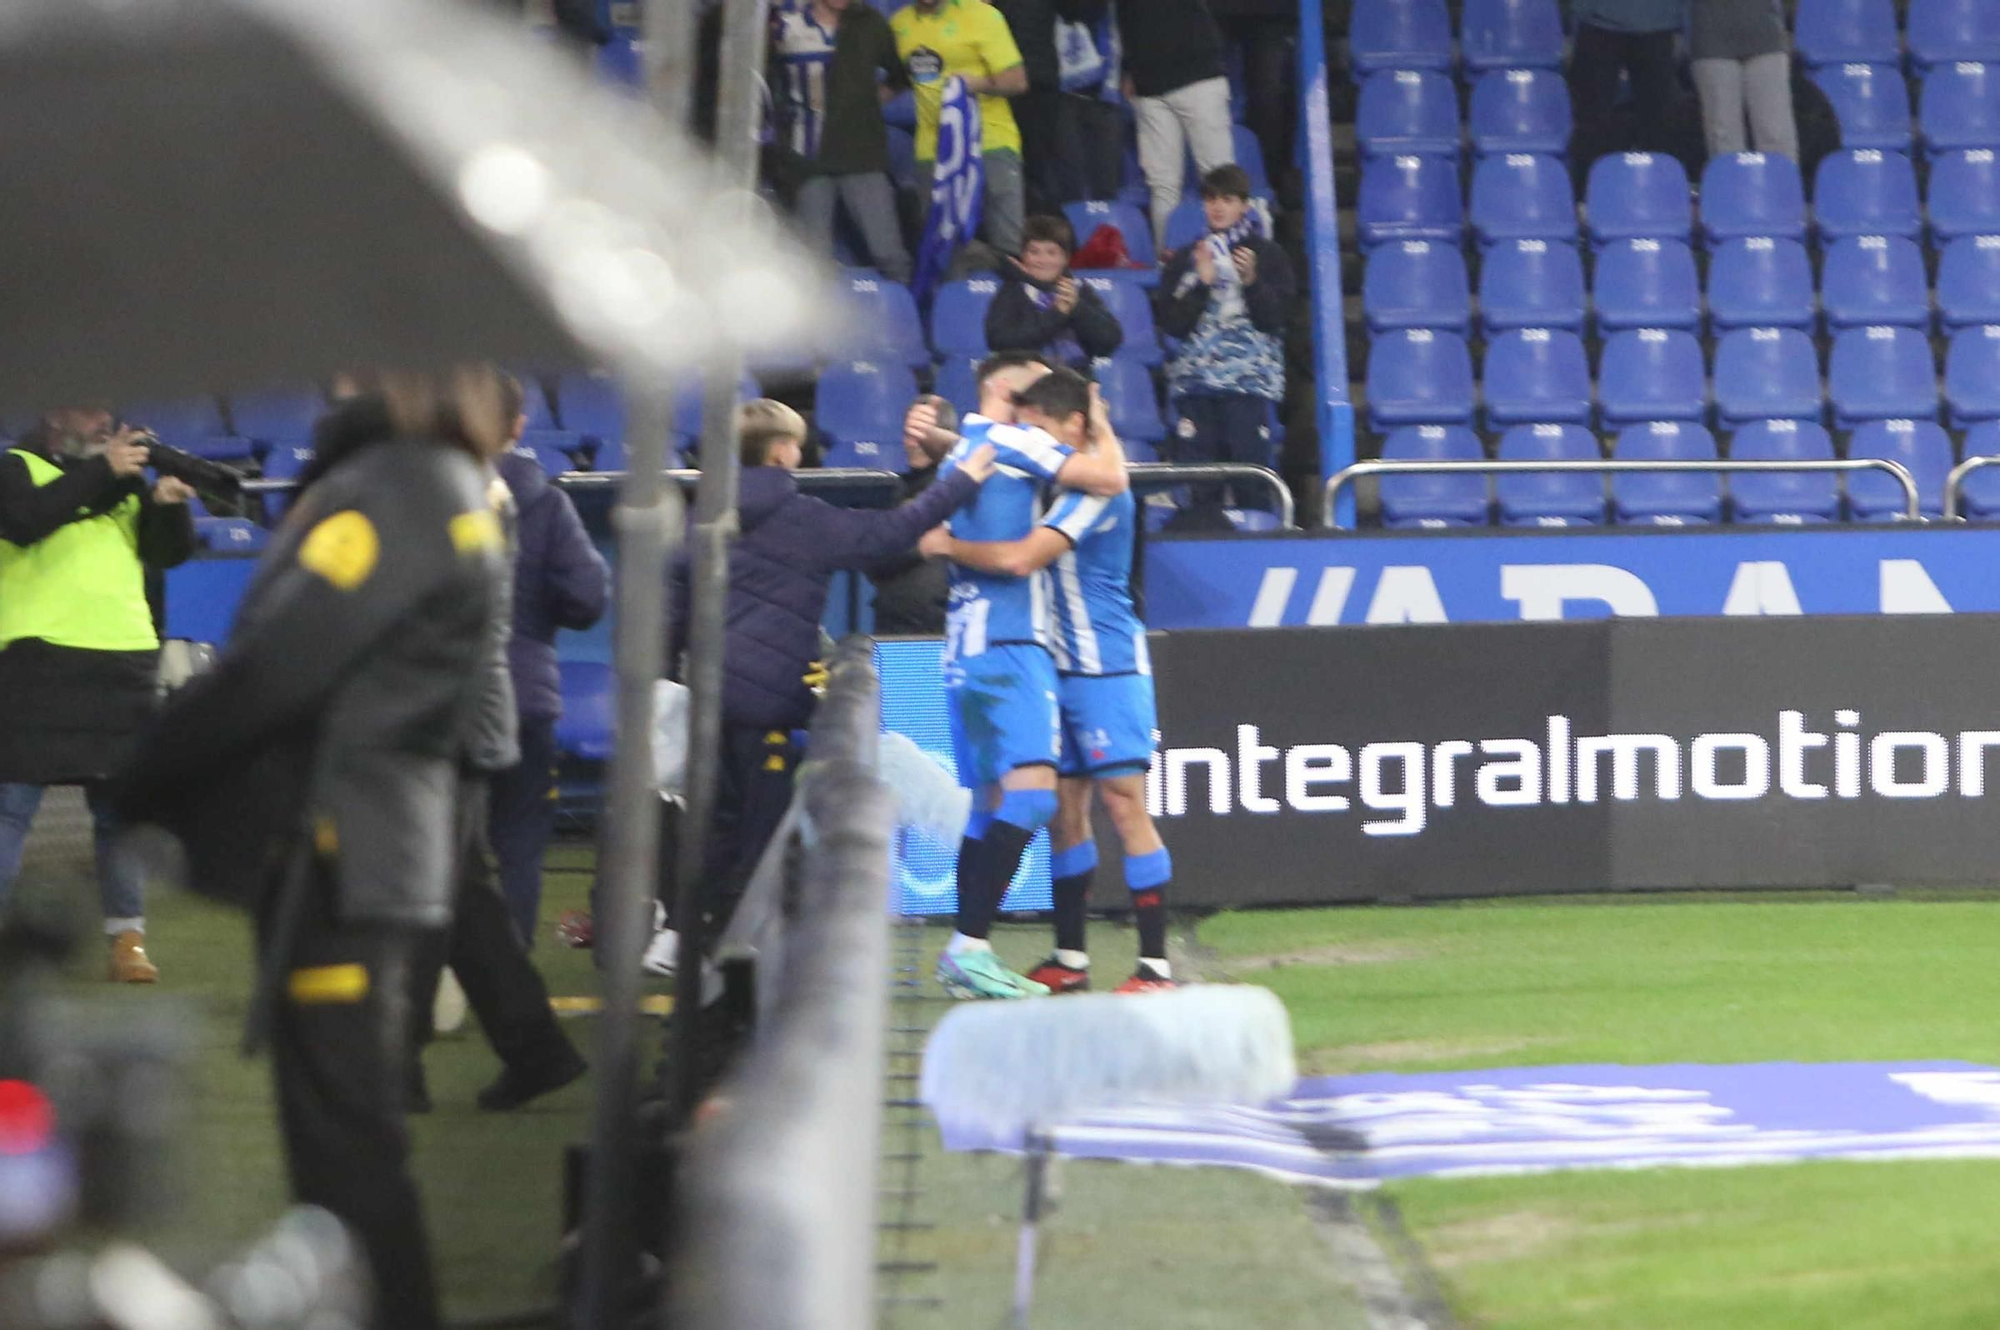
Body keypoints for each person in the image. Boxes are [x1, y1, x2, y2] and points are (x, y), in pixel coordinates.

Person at [118, 366, 515, 1330]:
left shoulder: (400, 487)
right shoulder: (437, 484)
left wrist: (147, 772)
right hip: (372, 840)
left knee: (344, 1152)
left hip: (348, 846)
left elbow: (277, 663)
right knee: (348, 1145)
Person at [658, 400, 999, 956]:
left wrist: (668, 680)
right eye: (795, 441)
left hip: (708, 702)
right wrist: (958, 480)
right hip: (768, 709)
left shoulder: (700, 520)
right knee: (760, 841)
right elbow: (892, 532)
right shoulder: (803, 519)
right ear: (781, 452)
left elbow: (669, 614)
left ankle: (694, 957)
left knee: (713, 833)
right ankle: (745, 972)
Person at [920, 368, 1172, 994]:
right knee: (1063, 812)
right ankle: (1071, 957)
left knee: (1123, 802)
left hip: (1105, 665)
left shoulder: (1096, 490)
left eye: (1043, 428)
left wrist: (947, 544)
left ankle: (1155, 966)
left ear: (1075, 427)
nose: (1034, 441)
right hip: (1051, 661)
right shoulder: (1048, 476)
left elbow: (1022, 557)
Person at [408, 376, 591, 1116]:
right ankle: (532, 1048)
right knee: (457, 891)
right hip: (472, 708)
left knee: (420, 888)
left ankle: (401, 1061)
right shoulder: (494, 491)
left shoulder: (467, 492)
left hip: (442, 712)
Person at [0, 408, 196, 983]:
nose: (102, 421)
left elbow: (167, 555)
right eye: (89, 412)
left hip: (123, 660)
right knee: (9, 809)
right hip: (37, 661)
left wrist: (167, 504)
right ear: (54, 415)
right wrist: (105, 471)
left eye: (106, 414)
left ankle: (127, 940)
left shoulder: (124, 483)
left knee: (120, 815)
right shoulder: (15, 468)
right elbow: (28, 519)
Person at [490, 404, 610, 945]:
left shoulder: (418, 497)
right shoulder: (546, 504)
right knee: (519, 842)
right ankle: (509, 966)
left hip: (442, 694)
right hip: (522, 695)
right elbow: (587, 597)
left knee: (437, 843)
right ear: (517, 425)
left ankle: (434, 973)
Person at [1154, 164, 1294, 507]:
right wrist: (1201, 284)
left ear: (1244, 205)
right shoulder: (1186, 258)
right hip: (1195, 387)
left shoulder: (1269, 255)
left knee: (1251, 483)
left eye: (1227, 199)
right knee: (1200, 488)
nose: (1217, 207)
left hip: (1247, 386)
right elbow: (1171, 324)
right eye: (1211, 199)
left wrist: (1251, 283)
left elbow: (1275, 319)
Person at [1063, 0, 1233, 254]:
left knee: (1219, 178)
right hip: (1150, 85)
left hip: (1199, 77)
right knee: (1163, 184)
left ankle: (1232, 259)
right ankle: (1169, 263)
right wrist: (1129, 68)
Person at [770, 0, 916, 282]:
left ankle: (906, 318)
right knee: (813, 258)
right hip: (806, 158)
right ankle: (819, 324)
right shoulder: (784, 24)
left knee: (888, 253)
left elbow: (900, 75)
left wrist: (867, 103)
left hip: (861, 153)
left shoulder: (870, 23)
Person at [892, 0, 1031, 258]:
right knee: (941, 249)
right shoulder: (899, 24)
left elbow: (1017, 81)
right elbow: (897, 79)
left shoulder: (984, 15)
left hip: (991, 143)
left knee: (1008, 244)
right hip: (933, 152)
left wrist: (976, 83)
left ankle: (1008, 296)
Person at [869, 394, 965, 636]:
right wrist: (921, 547)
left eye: (923, 431)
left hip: (947, 627)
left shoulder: (962, 485)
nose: (913, 441)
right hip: (894, 627)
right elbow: (874, 557)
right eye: (910, 432)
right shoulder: (890, 491)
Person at [985, 213, 1124, 371]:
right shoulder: (1012, 291)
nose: (1042, 260)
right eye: (1034, 252)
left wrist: (1077, 308)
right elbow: (999, 342)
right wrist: (1056, 315)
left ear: (1065, 259)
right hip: (1025, 381)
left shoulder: (1079, 290)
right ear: (1023, 256)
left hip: (1076, 381)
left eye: (1051, 253)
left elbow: (1109, 341)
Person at [1567, 0, 1687, 174]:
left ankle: (1659, 186)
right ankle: (1585, 191)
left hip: (1657, 23)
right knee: (1591, 119)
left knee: (1659, 120)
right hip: (1599, 23)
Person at [1689, 0, 1798, 162]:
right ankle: (1729, 186)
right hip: (1711, 37)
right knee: (1723, 135)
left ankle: (1782, 185)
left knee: (1775, 133)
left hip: (1766, 35)